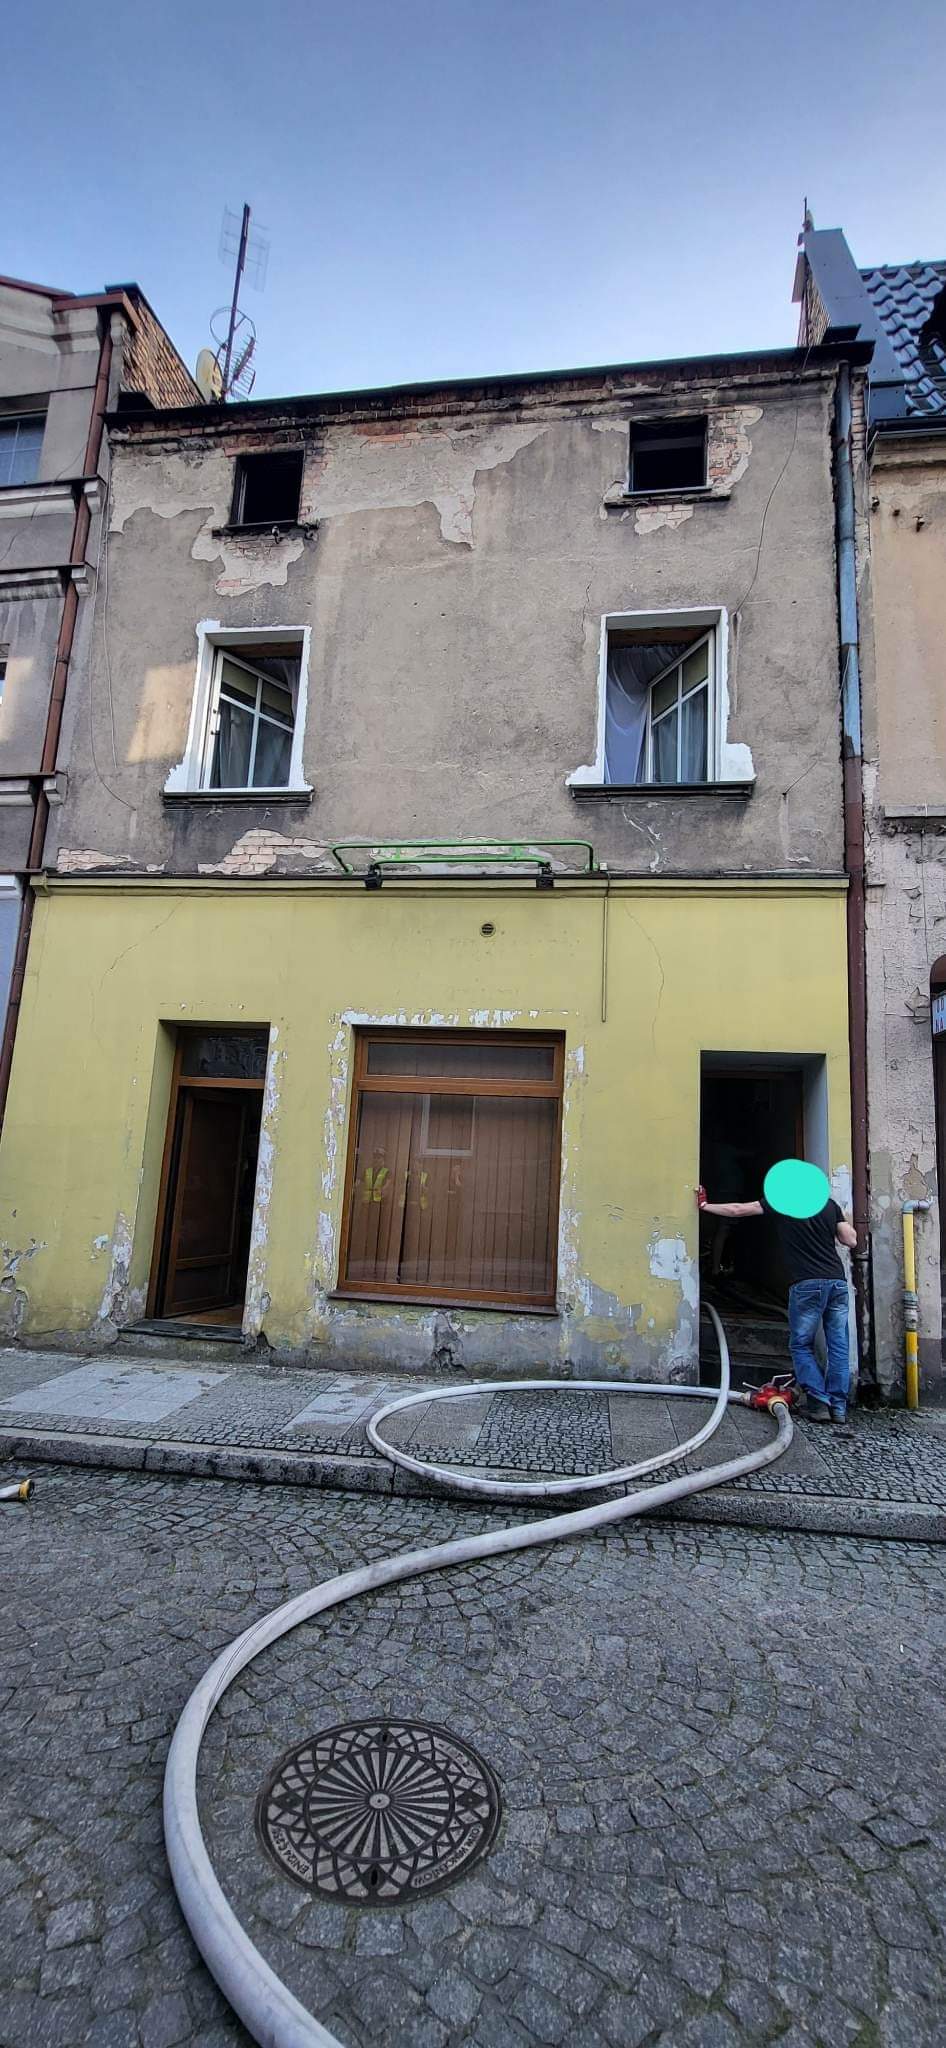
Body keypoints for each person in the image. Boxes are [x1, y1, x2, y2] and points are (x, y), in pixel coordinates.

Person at [697, 1180, 857, 1422]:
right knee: (839, 1346)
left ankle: (819, 1402)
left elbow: (738, 1210)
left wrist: (705, 1206)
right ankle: (839, 1407)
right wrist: (839, 1216)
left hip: (806, 1284)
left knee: (801, 1345)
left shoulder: (783, 1203)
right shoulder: (828, 1205)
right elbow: (850, 1240)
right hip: (837, 1283)